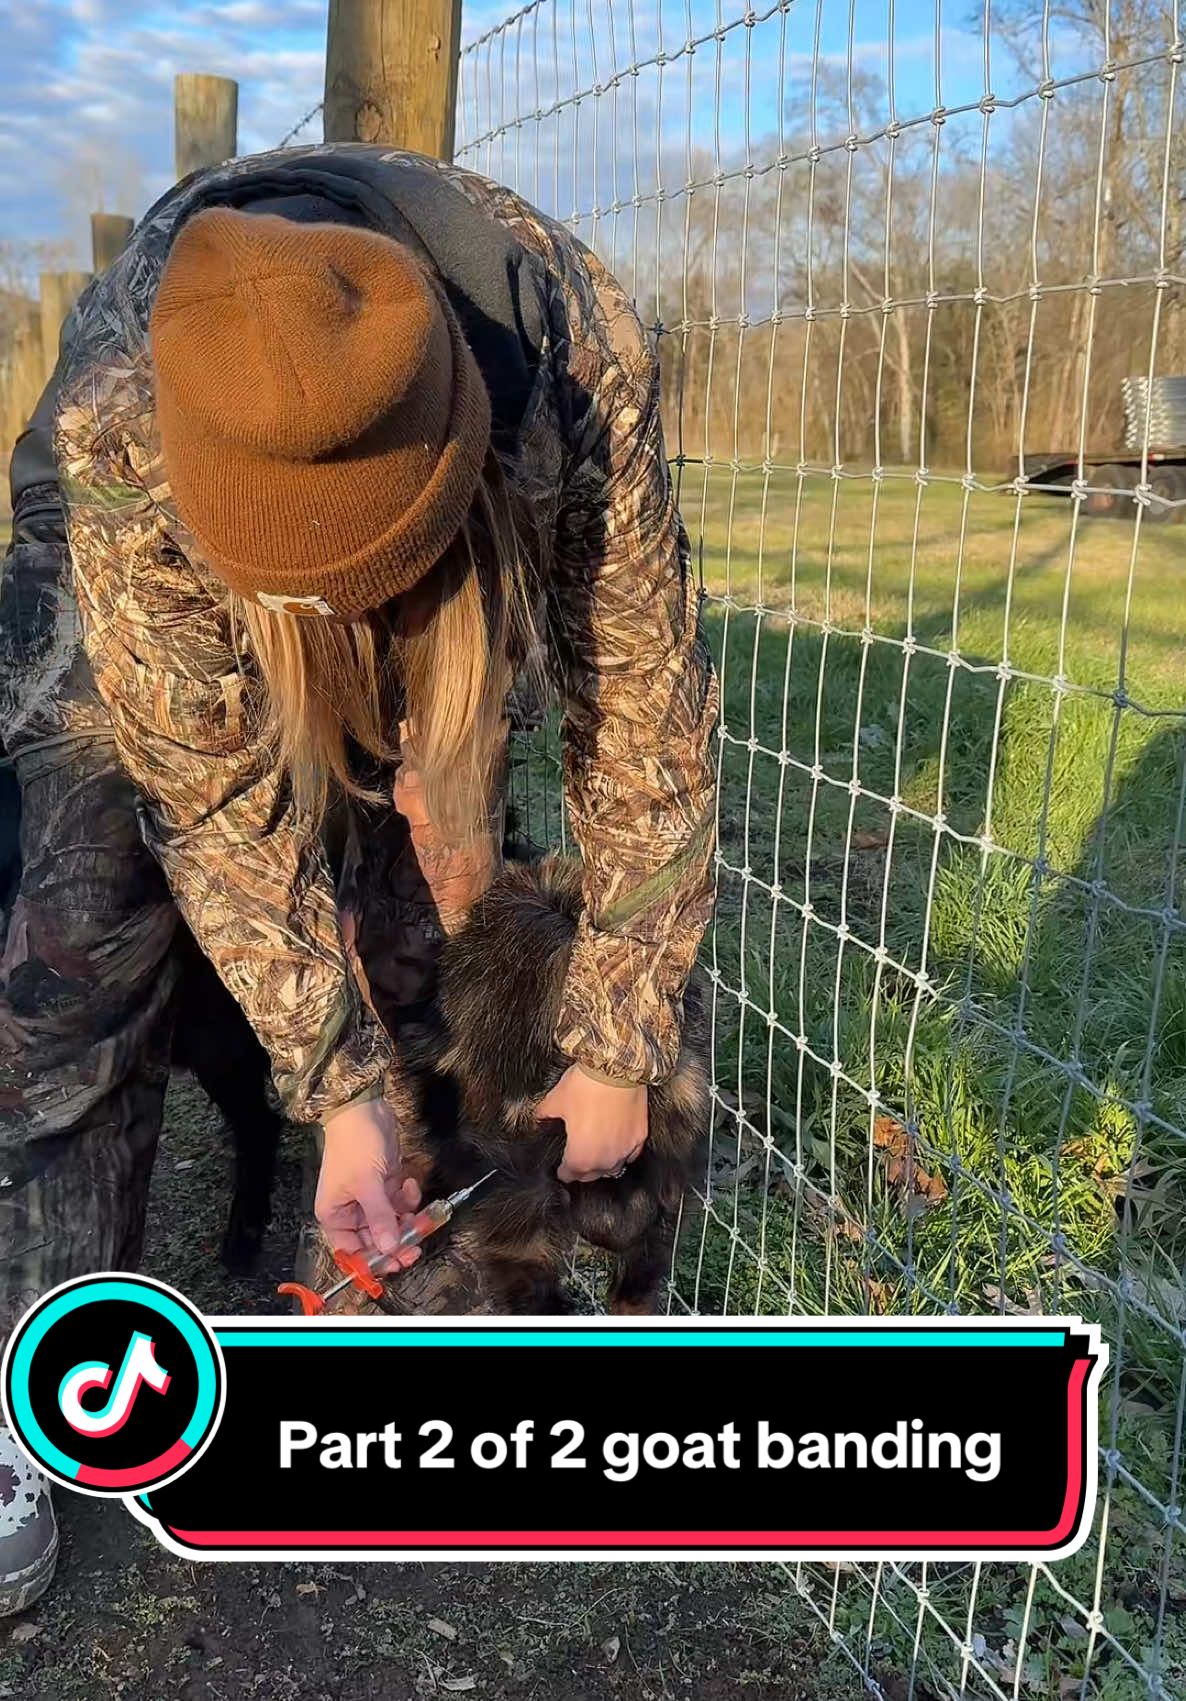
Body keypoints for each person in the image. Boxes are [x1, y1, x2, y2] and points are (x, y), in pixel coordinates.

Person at [0, 142, 718, 1610]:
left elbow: (640, 718)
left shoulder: (574, 361)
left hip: (471, 510)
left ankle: (428, 1274)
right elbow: (211, 803)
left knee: (422, 880)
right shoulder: (122, 436)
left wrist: (621, 1040)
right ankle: (40, 1378)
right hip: (148, 562)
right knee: (76, 941)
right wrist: (331, 1085)